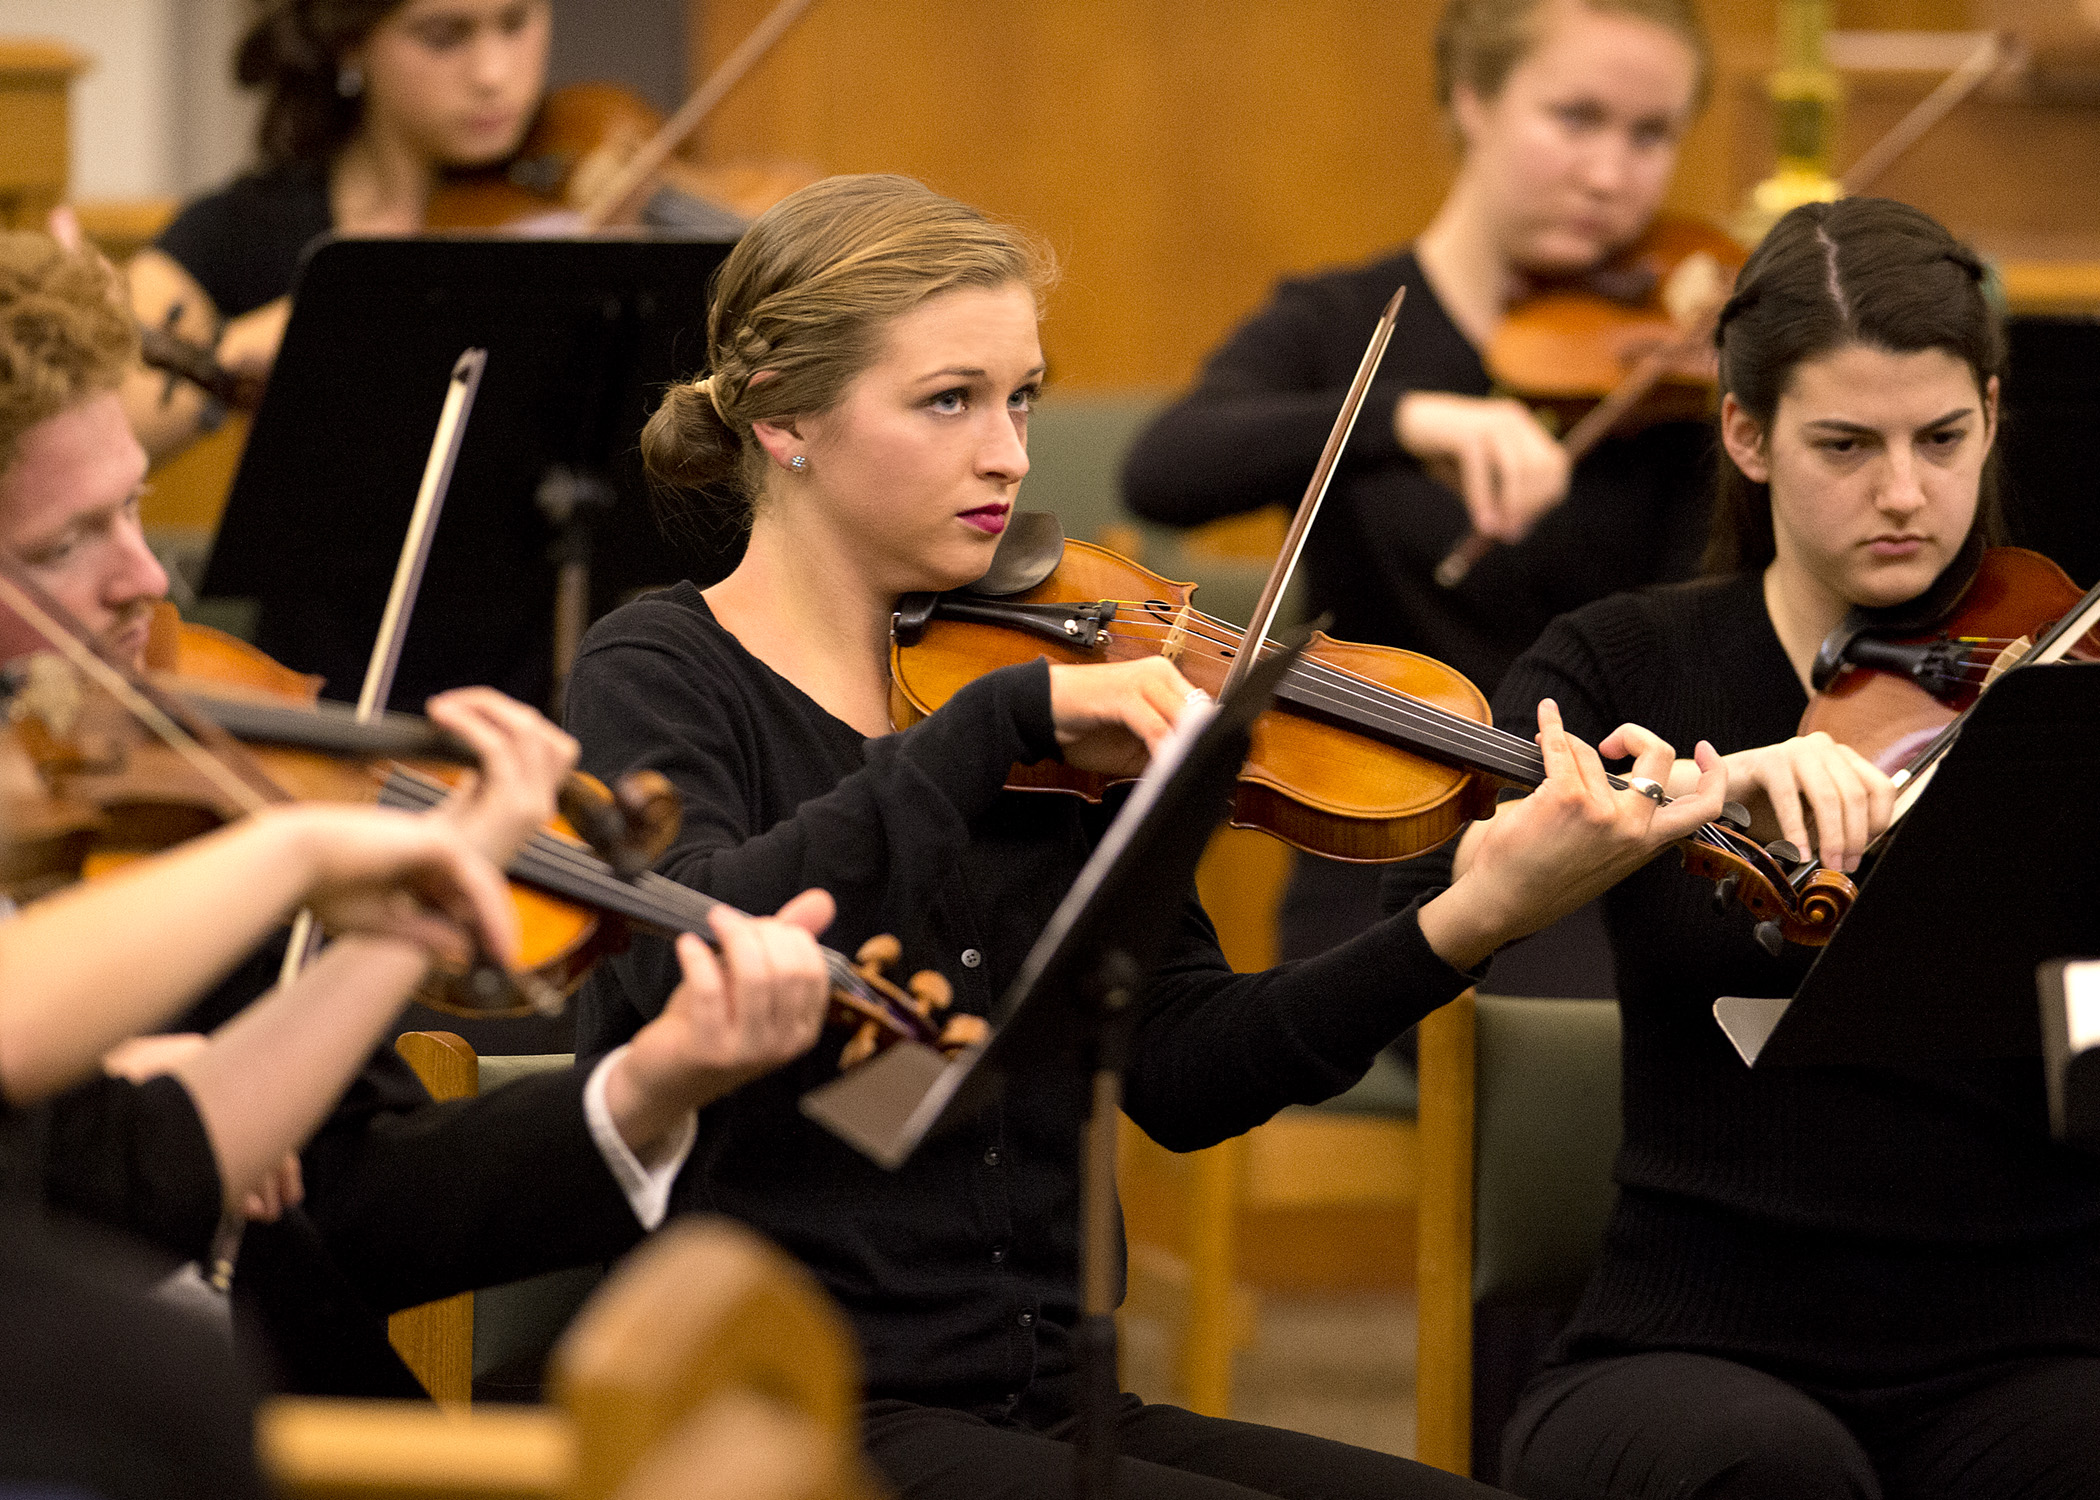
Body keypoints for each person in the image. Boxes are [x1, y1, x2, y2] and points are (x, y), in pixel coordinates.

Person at [563, 172, 1733, 1500]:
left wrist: (1469, 920)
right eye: (948, 400)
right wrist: (993, 728)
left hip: (1056, 1408)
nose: (1007, 452)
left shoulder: (1048, 676)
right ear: (783, 420)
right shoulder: (665, 669)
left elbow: (1182, 1072)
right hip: (782, 1415)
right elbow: (685, 948)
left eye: (1021, 399)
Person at [0, 224, 836, 1397]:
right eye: (66, 540)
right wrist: (299, 852)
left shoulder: (168, 796)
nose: (145, 577)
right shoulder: (243, 848)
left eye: (135, 508)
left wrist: (653, 1076)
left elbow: (323, 1203)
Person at [1384, 197, 2100, 1499]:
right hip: (1699, 1338)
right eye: (1845, 444)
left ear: (1994, 413)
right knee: (1762, 1471)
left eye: (1944, 439)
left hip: (2035, 1337)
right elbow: (1439, 902)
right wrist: (1684, 802)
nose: (1905, 493)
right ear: (1746, 434)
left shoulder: (2064, 676)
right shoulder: (1623, 662)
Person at [1123, 0, 1716, 966]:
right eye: (1575, 118)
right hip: (1376, 833)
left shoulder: (1674, 374)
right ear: (1471, 99)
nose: (1611, 174)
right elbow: (1166, 468)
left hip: (1606, 842)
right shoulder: (1338, 320)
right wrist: (1400, 417)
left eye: (1650, 135)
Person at [121, 0, 556, 460]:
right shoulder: (248, 226)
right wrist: (241, 349)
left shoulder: (571, 186)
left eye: (516, 22)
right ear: (350, 43)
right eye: (443, 36)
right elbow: (109, 419)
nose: (493, 73)